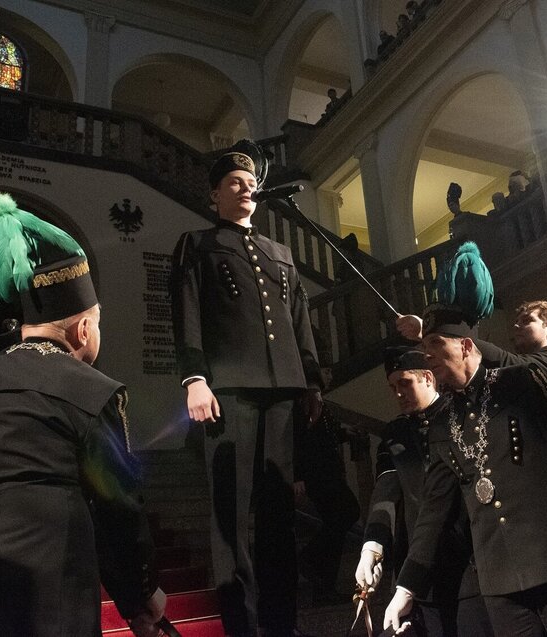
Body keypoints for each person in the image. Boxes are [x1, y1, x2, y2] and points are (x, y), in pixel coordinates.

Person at [0, 193, 164, 637]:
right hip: (46, 616)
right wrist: (140, 597)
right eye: (97, 321)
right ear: (83, 328)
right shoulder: (92, 394)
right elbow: (119, 513)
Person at [384, 262, 547, 634]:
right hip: (498, 581)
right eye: (423, 348)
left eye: (435, 344)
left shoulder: (519, 382)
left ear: (467, 346)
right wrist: (407, 586)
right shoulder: (442, 422)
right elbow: (433, 509)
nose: (427, 355)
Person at [170, 140, 323, 637]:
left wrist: (312, 379)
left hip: (282, 389)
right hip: (229, 390)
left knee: (279, 511)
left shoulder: (279, 252)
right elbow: (187, 315)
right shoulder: (198, 244)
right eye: (234, 182)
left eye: (250, 180)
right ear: (214, 195)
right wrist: (194, 378)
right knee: (230, 515)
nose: (247, 186)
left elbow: (300, 320)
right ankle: (240, 623)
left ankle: (281, 624)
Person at [356, 346, 492, 636]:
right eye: (393, 387)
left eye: (405, 383)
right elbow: (385, 492)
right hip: (420, 571)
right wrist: (373, 545)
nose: (398, 393)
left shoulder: (458, 416)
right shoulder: (395, 433)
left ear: (428, 378)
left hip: (469, 561)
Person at [294, 406, 360, 607]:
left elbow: (322, 435)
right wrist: (297, 475)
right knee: (345, 513)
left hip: (326, 469)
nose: (330, 374)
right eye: (327, 371)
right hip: (318, 472)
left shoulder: (318, 400)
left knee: (339, 523)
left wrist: (343, 434)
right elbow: (298, 437)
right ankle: (309, 557)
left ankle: (324, 587)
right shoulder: (308, 399)